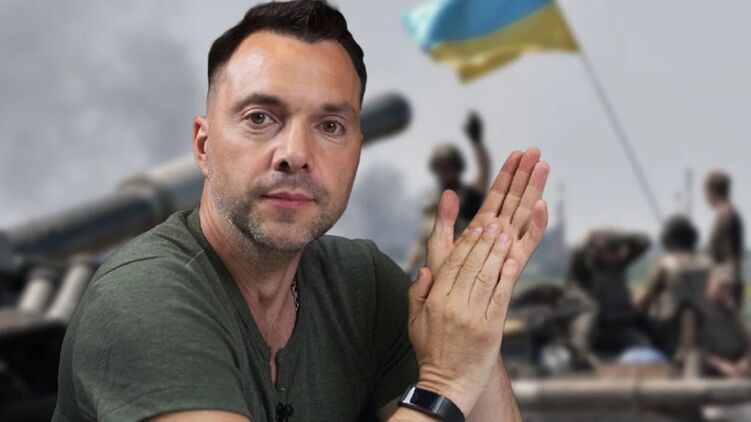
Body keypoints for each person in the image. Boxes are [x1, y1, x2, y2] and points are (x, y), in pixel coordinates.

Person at [53, 1, 551, 421]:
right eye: (260, 118)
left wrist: (473, 325)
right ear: (204, 146)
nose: (295, 153)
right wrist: (443, 384)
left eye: (330, 126)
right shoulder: (142, 297)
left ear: (356, 151)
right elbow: (449, 383)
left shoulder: (363, 285)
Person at [402, 111, 492, 275]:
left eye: (448, 167)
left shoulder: (467, 197)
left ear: (457, 168)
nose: (444, 172)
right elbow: (422, 240)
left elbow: (484, 173)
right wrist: (407, 269)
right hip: (438, 273)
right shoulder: (432, 202)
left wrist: (477, 143)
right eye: (440, 168)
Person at [565, 229, 651, 364]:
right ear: (598, 251)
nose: (615, 254)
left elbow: (643, 242)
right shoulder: (586, 269)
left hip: (618, 327)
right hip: (593, 328)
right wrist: (589, 241)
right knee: (588, 313)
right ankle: (581, 355)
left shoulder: (619, 266)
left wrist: (617, 237)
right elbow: (576, 254)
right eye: (610, 250)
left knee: (642, 344)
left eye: (616, 250)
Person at [634, 215, 713, 358]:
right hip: (707, 323)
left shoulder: (666, 263)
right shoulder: (708, 262)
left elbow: (645, 299)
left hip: (670, 328)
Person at [678, 264, 751, 378]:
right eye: (722, 286)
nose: (725, 291)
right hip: (708, 368)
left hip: (736, 366)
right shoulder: (693, 309)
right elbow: (690, 347)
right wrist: (722, 366)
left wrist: (745, 361)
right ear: (711, 282)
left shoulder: (729, 311)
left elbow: (746, 339)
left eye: (728, 287)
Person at [705, 170, 745, 309]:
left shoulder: (726, 215)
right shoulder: (726, 214)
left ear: (711, 191)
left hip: (723, 288)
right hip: (722, 283)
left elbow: (731, 256)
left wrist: (722, 286)